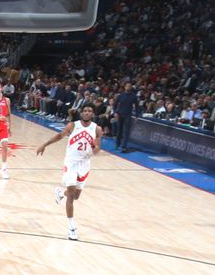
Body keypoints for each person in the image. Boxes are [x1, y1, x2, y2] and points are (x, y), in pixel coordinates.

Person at [36, 104, 102, 241]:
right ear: (81, 113)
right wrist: (45, 144)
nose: (87, 113)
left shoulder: (97, 129)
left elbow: (97, 146)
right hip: (71, 162)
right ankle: (71, 228)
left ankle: (60, 193)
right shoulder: (73, 125)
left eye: (90, 111)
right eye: (85, 111)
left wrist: (95, 150)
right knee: (71, 195)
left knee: (76, 196)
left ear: (92, 114)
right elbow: (60, 136)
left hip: (84, 164)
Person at [114, 82, 139, 153]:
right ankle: (117, 144)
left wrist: (137, 116)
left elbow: (137, 106)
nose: (128, 87)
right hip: (120, 114)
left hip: (128, 115)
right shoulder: (120, 95)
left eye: (129, 86)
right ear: (125, 87)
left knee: (126, 131)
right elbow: (114, 105)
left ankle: (124, 146)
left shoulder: (133, 96)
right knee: (119, 130)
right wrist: (115, 112)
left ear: (131, 87)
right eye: (127, 86)